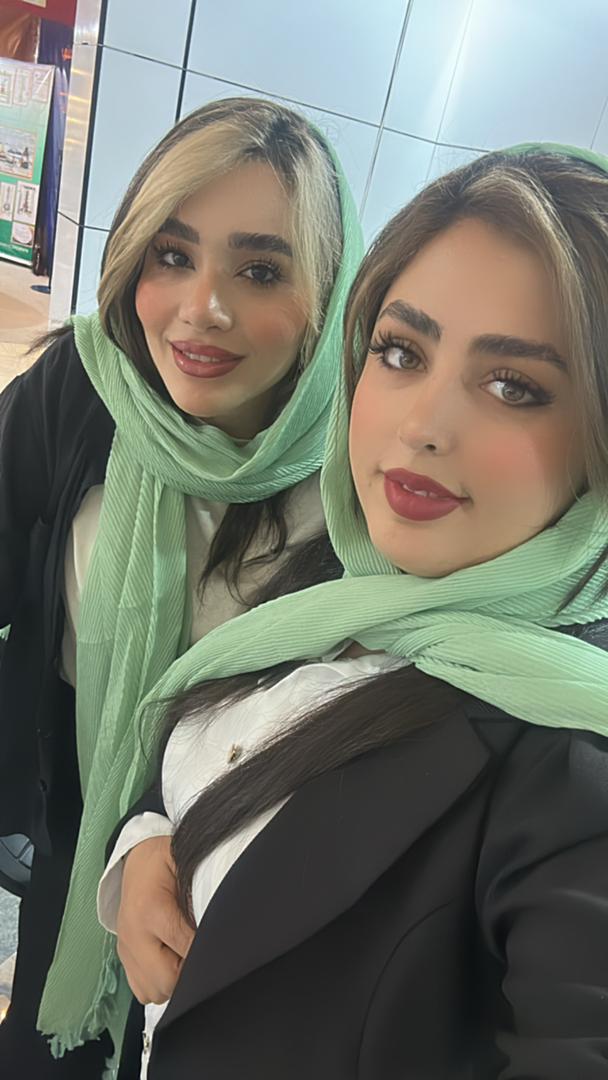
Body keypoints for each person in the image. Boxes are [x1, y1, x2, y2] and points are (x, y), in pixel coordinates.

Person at [103, 143, 608, 1079]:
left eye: (515, 386)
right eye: (402, 351)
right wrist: (146, 847)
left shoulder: (574, 763)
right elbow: (233, 747)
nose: (421, 425)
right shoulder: (350, 575)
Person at [0, 96, 362, 1076]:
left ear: (328, 291)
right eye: (171, 255)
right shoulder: (85, 390)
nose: (202, 308)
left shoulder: (367, 474)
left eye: (260, 270)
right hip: (79, 809)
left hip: (240, 863)